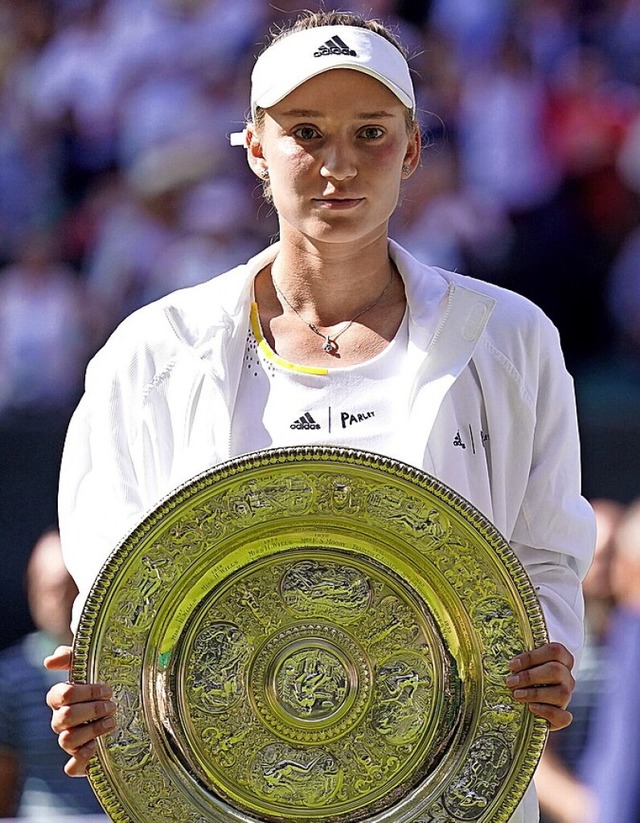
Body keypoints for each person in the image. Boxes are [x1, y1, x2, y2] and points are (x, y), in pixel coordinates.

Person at [44, 11, 595, 823]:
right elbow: (119, 601)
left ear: (411, 149)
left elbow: (546, 560)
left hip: (448, 794)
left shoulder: (513, 340)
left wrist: (549, 653)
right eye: (306, 131)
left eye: (370, 133)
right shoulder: (147, 353)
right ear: (256, 147)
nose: (339, 165)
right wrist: (103, 694)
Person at [0, 529, 104, 818]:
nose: (61, 599)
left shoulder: (130, 669)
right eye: (51, 588)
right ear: (33, 591)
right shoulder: (7, 677)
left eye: (71, 587)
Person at [578, 497, 640, 823]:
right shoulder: (566, 639)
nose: (605, 571)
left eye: (614, 557)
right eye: (597, 558)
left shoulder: (629, 632)